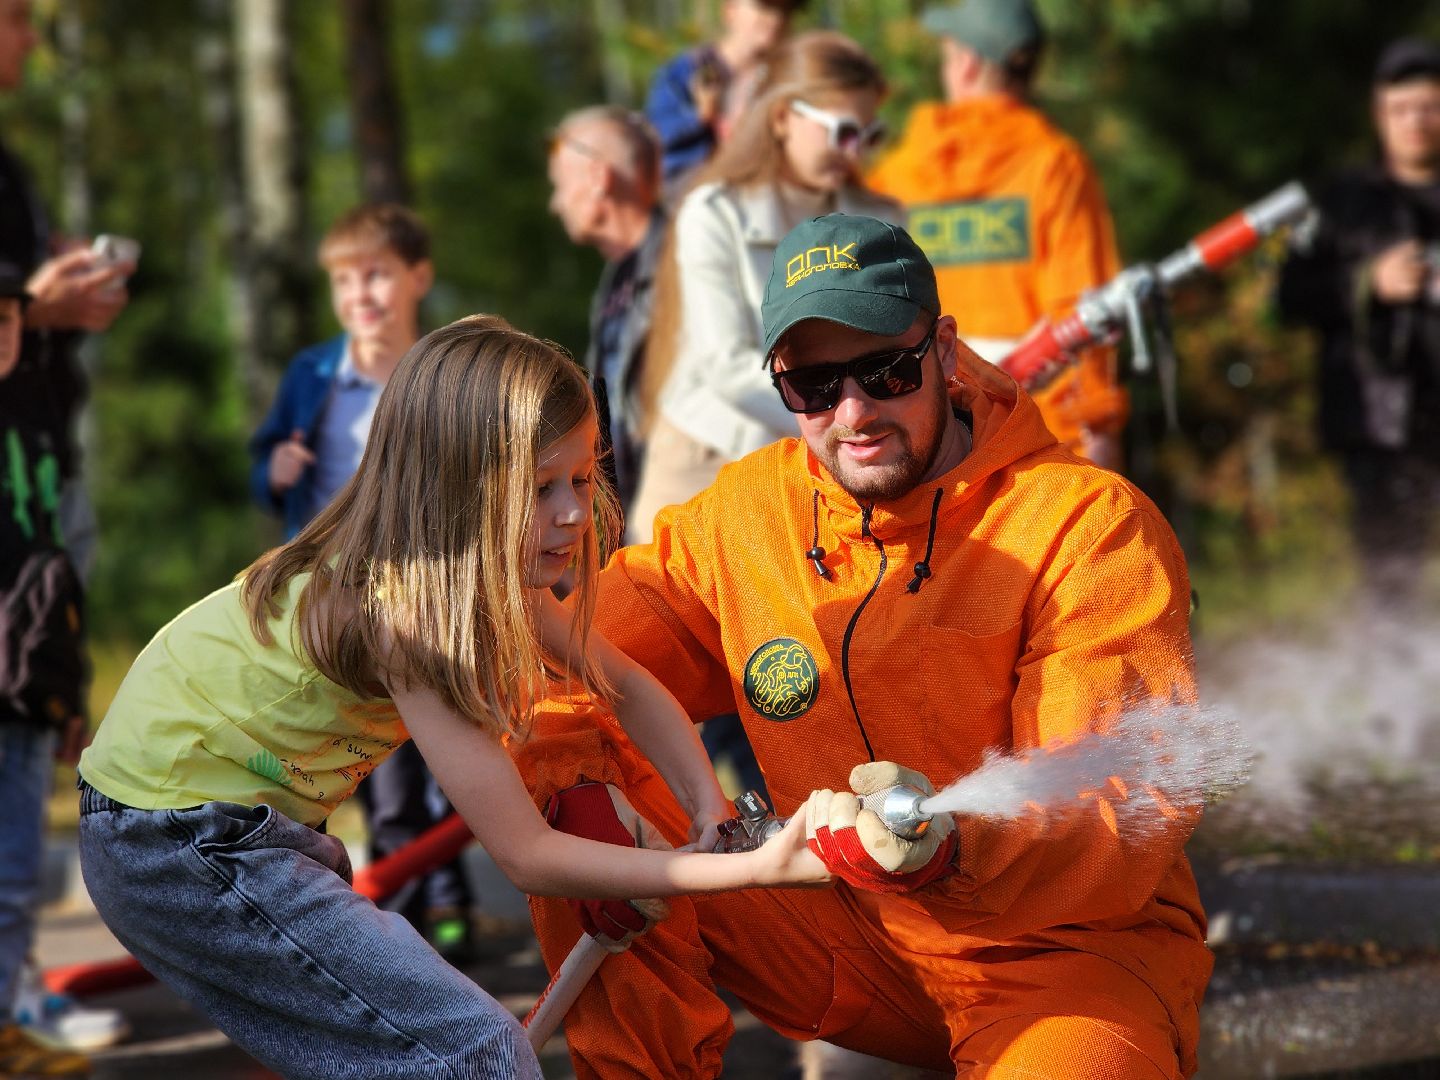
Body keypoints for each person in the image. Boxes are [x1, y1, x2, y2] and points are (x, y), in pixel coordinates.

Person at [525, 215, 1211, 1078]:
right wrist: (573, 789)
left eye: (886, 370)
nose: (853, 412)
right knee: (584, 829)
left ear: (946, 352)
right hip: (839, 932)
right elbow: (559, 656)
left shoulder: (1088, 528)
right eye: (812, 384)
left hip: (1059, 962)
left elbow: (1112, 795)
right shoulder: (742, 520)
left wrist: (952, 843)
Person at [74, 316, 828, 1080]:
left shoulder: (469, 568)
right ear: (456, 489)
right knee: (479, 1058)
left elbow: (627, 683)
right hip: (176, 842)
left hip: (227, 827)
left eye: (579, 477)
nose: (571, 512)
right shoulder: (406, 618)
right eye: (540, 488)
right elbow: (526, 855)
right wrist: (747, 872)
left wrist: (711, 811)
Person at [633, 29, 901, 807]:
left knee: (822, 677)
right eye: (841, 128)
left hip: (825, 459)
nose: (854, 150)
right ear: (782, 116)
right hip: (708, 463)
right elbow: (723, 366)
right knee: (729, 689)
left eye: (869, 133)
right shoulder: (712, 210)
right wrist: (849, 421)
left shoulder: (875, 213)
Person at [246, 203, 478, 958]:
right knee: (376, 767)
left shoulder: (441, 371)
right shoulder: (314, 373)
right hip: (341, 604)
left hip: (431, 593)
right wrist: (273, 472)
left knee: (447, 754)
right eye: (345, 281)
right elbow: (266, 465)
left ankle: (452, 906)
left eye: (376, 274)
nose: (361, 295)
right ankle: (403, 918)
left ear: (419, 277)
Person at [867, 0, 1127, 467]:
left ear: (966, 63)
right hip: (1038, 440)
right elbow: (1086, 309)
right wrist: (1097, 426)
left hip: (926, 435)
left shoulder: (896, 177)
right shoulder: (1056, 166)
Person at [1278, 37, 1440, 606]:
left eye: (1429, 106)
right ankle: (1396, 691)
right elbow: (1291, 296)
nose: (1416, 121)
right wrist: (1369, 283)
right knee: (1390, 577)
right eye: (1402, 109)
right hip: (1378, 423)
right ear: (1380, 114)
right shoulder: (1341, 202)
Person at [0, 264, 91, 1078]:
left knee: (15, 874)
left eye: (8, 316)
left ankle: (3, 1028)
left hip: (28, 685)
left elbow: (57, 568)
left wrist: (71, 685)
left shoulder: (33, 415)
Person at [547, 105, 666, 515]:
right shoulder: (616, 279)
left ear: (599, 177)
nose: (555, 204)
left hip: (699, 517)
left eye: (560, 185)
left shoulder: (689, 260)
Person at [644, 0, 808, 197]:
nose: (776, 19)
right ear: (730, 10)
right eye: (765, 8)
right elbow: (654, 142)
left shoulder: (790, 78)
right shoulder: (684, 73)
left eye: (786, 11)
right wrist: (699, 118)